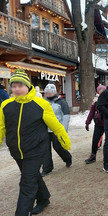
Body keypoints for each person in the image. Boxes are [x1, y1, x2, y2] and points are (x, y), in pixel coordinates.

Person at [0, 69, 71, 215]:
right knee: (32, 176)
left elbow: (56, 126)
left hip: (36, 150)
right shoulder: (5, 105)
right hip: (16, 150)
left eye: (20, 85)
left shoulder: (41, 104)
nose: (17, 89)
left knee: (27, 183)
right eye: (14, 86)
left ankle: (22, 212)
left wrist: (65, 142)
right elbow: (1, 128)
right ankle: (44, 198)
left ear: (28, 86)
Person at [41, 83, 72, 177]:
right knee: (45, 149)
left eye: (50, 92)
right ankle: (47, 168)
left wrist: (63, 130)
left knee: (58, 146)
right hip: (44, 130)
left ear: (54, 92)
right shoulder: (42, 103)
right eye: (47, 93)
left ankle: (67, 158)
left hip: (56, 129)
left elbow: (66, 116)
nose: (49, 94)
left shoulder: (61, 102)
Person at [84, 84, 106, 164]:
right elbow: (91, 112)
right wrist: (87, 122)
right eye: (100, 90)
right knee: (95, 140)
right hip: (99, 123)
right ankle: (93, 156)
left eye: (103, 90)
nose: (102, 92)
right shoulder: (95, 101)